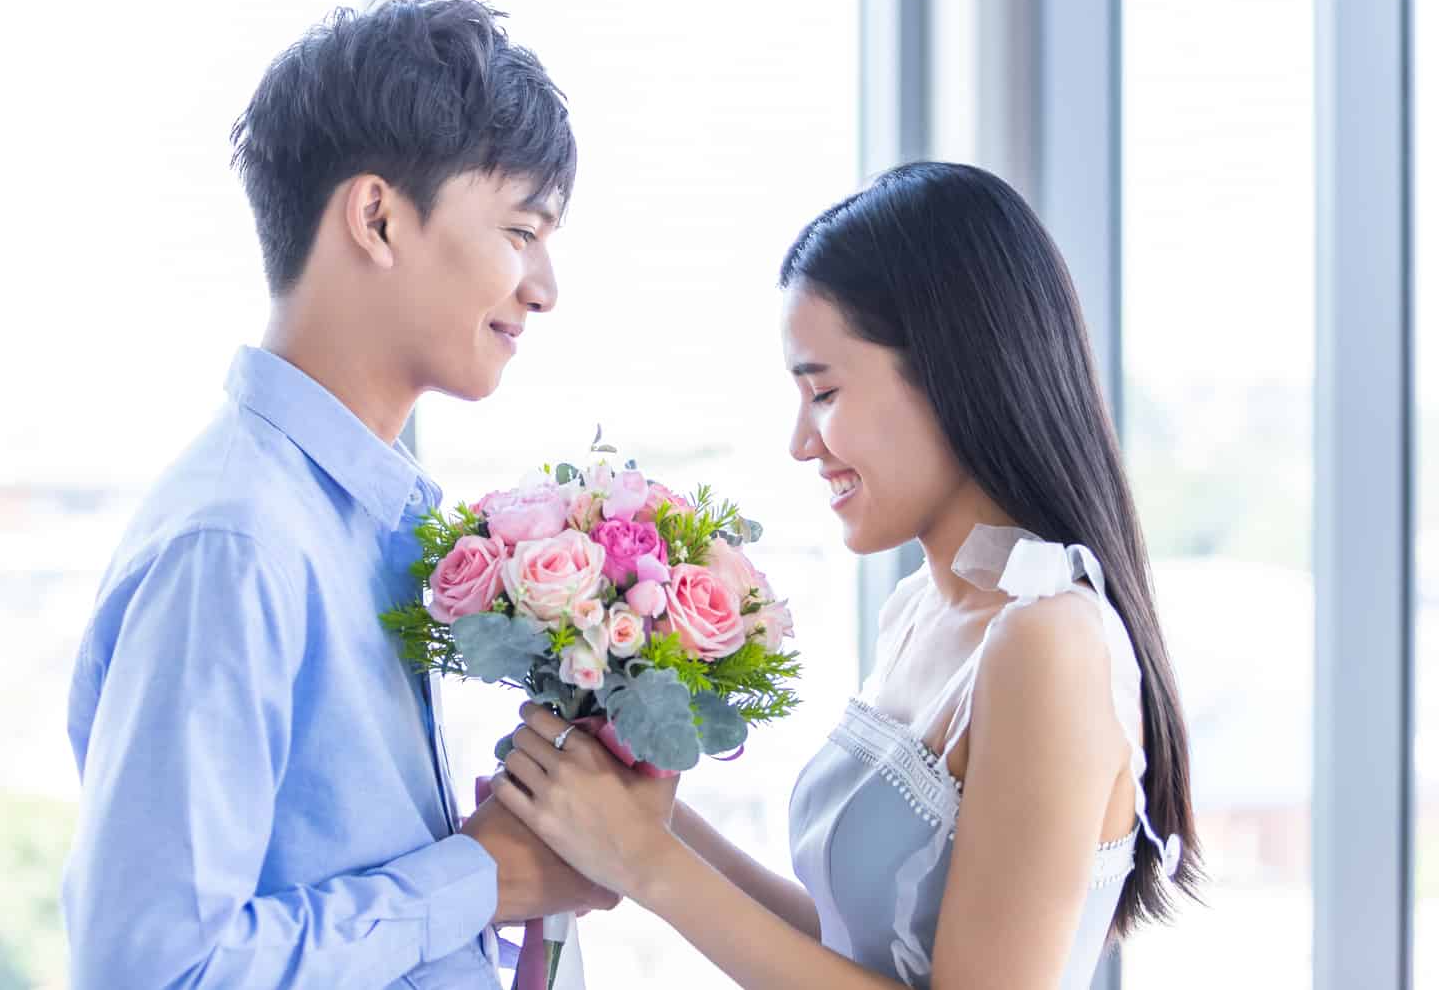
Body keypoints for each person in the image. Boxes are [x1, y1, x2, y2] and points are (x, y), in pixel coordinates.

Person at [492, 161, 1202, 988]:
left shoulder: (1050, 643)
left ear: (951, 373)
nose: (802, 441)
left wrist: (649, 862)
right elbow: (853, 956)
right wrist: (640, 819)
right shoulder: (920, 611)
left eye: (822, 391)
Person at [60, 0, 614, 989]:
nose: (544, 288)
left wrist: (512, 869)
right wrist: (476, 879)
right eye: (521, 231)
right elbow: (155, 970)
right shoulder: (237, 541)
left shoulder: (367, 523)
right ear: (377, 217)